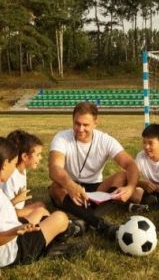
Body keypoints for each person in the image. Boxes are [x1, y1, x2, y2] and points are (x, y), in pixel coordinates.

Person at [0, 137, 84, 267]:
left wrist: (14, 202)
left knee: (40, 211)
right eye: (13, 164)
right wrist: (16, 230)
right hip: (10, 253)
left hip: (7, 237)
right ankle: (56, 242)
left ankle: (59, 233)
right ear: (5, 164)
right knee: (60, 217)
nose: (13, 169)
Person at [48, 102, 139, 239]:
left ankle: (82, 219)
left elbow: (130, 164)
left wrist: (131, 187)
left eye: (86, 125)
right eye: (77, 123)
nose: (80, 129)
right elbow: (55, 168)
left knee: (122, 176)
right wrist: (70, 185)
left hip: (96, 188)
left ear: (95, 123)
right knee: (55, 188)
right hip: (69, 187)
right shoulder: (61, 137)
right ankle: (101, 224)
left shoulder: (106, 140)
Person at [1, 130, 51, 224]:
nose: (40, 158)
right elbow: (5, 209)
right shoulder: (10, 177)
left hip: (16, 209)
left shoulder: (22, 170)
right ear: (25, 156)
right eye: (38, 155)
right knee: (41, 211)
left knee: (40, 205)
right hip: (9, 213)